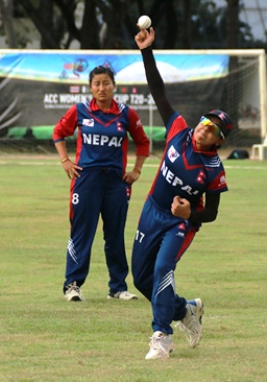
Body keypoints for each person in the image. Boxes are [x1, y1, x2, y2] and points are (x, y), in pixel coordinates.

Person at [132, 27, 233, 360]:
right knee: (141, 279)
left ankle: (161, 337)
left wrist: (190, 215)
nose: (204, 127)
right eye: (205, 121)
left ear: (218, 141)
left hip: (180, 225)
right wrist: (147, 51)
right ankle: (186, 311)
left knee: (163, 270)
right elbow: (158, 90)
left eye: (213, 130)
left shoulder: (214, 170)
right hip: (151, 210)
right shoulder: (178, 131)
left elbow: (213, 213)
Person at [53, 65, 151, 302]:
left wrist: (136, 170)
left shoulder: (126, 114)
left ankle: (117, 287)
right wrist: (65, 160)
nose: (101, 88)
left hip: (116, 182)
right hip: (86, 179)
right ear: (90, 88)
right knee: (82, 232)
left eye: (106, 83)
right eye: (96, 84)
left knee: (115, 234)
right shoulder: (81, 110)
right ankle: (72, 285)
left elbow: (143, 142)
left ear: (114, 86)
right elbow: (58, 133)